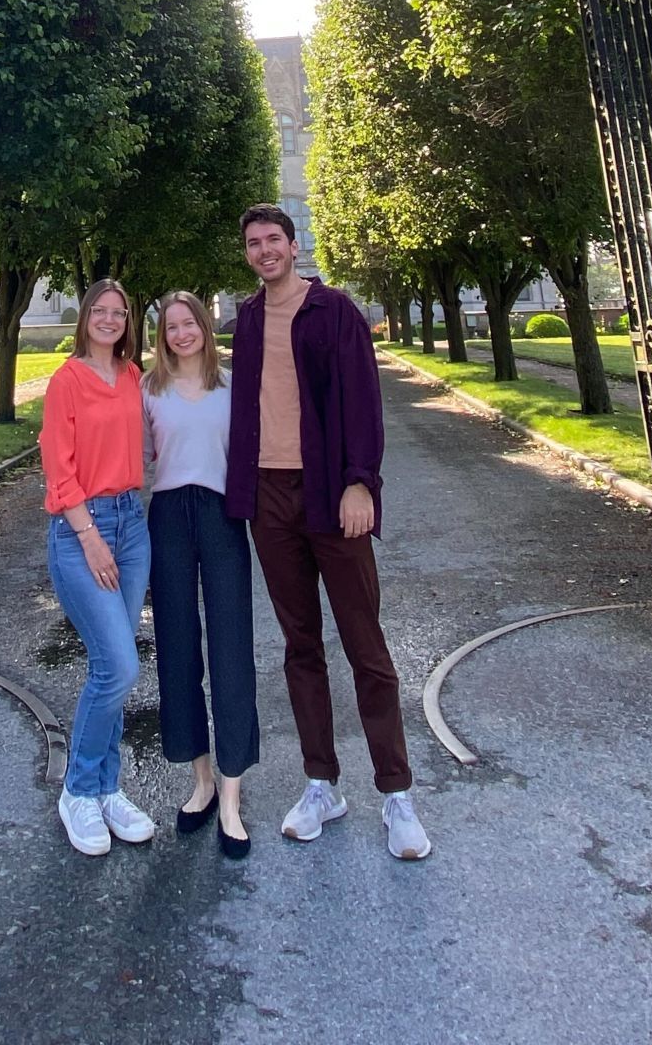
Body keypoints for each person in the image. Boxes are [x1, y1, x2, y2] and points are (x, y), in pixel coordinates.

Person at [224, 204, 432, 861]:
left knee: (365, 645)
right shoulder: (250, 319)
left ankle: (396, 793)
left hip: (330, 495)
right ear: (248, 253)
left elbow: (362, 401)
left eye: (274, 241)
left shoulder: (335, 311)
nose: (265, 252)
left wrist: (359, 482)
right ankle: (322, 784)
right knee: (300, 646)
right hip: (270, 498)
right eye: (254, 244)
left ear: (292, 245)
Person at [39, 278, 156, 856]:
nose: (109, 320)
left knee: (115, 666)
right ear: (85, 318)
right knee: (118, 665)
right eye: (100, 312)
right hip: (81, 529)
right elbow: (57, 469)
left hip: (132, 526)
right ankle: (78, 791)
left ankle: (108, 789)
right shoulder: (66, 381)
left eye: (120, 312)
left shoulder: (133, 375)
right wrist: (89, 537)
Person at [143, 290, 258, 860]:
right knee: (178, 647)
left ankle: (233, 798)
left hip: (220, 515)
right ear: (161, 335)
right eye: (172, 327)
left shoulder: (232, 387)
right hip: (166, 516)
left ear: (205, 328)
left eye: (190, 323)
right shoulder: (148, 389)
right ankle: (202, 781)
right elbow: (134, 460)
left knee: (232, 647)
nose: (182, 333)